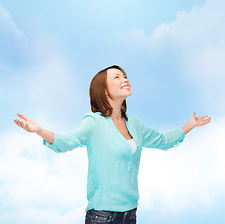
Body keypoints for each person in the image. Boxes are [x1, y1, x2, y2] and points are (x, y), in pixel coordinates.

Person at [13, 65, 211, 224]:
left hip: (131, 214)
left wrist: (191, 125)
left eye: (125, 75)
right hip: (103, 216)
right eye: (117, 77)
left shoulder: (134, 123)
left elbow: (164, 141)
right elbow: (67, 142)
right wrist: (39, 130)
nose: (125, 79)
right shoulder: (94, 122)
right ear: (104, 90)